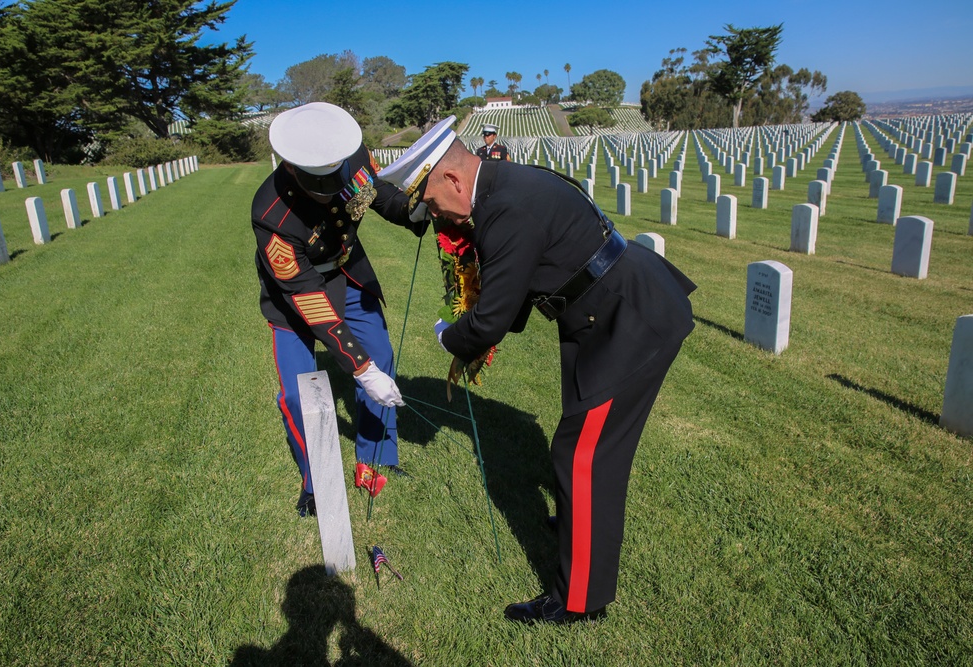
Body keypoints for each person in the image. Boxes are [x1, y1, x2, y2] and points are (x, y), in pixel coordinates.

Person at [380, 117, 696, 624]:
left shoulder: (505, 208)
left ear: (455, 181)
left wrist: (448, 336)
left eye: (434, 201)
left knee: (584, 455)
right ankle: (579, 523)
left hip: (629, 319)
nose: (438, 215)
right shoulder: (502, 183)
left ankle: (579, 601)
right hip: (601, 311)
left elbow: (490, 322)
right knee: (583, 444)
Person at [251, 102, 427, 517]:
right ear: (293, 169)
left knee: (381, 355)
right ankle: (316, 480)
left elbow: (373, 193)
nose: (334, 186)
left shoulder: (351, 156)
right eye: (322, 183)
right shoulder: (271, 214)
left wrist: (410, 210)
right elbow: (308, 298)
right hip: (295, 296)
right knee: (297, 395)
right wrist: (359, 370)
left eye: (338, 175)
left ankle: (377, 456)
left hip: (347, 275)